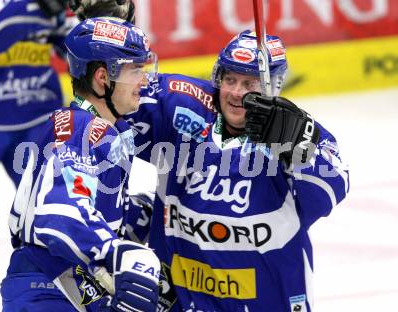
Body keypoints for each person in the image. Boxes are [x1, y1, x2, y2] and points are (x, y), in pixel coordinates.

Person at [123, 30, 350, 311]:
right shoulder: (181, 107)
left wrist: (297, 147)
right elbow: (115, 99)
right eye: (230, 79)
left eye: (249, 83)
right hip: (183, 299)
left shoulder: (296, 132)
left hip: (268, 299)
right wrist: (122, 39)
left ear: (273, 86)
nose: (236, 93)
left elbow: (333, 187)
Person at [0, 17, 160, 312]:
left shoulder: (101, 128)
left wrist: (146, 214)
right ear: (103, 78)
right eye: (135, 70)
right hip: (47, 286)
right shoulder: (82, 127)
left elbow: (89, 205)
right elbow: (61, 211)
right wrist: (115, 252)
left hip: (61, 281)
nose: (144, 80)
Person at [0, 0, 134, 237]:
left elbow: (74, 52)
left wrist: (99, 26)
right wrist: (41, 5)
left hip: (37, 113)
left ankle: (85, 265)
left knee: (63, 199)